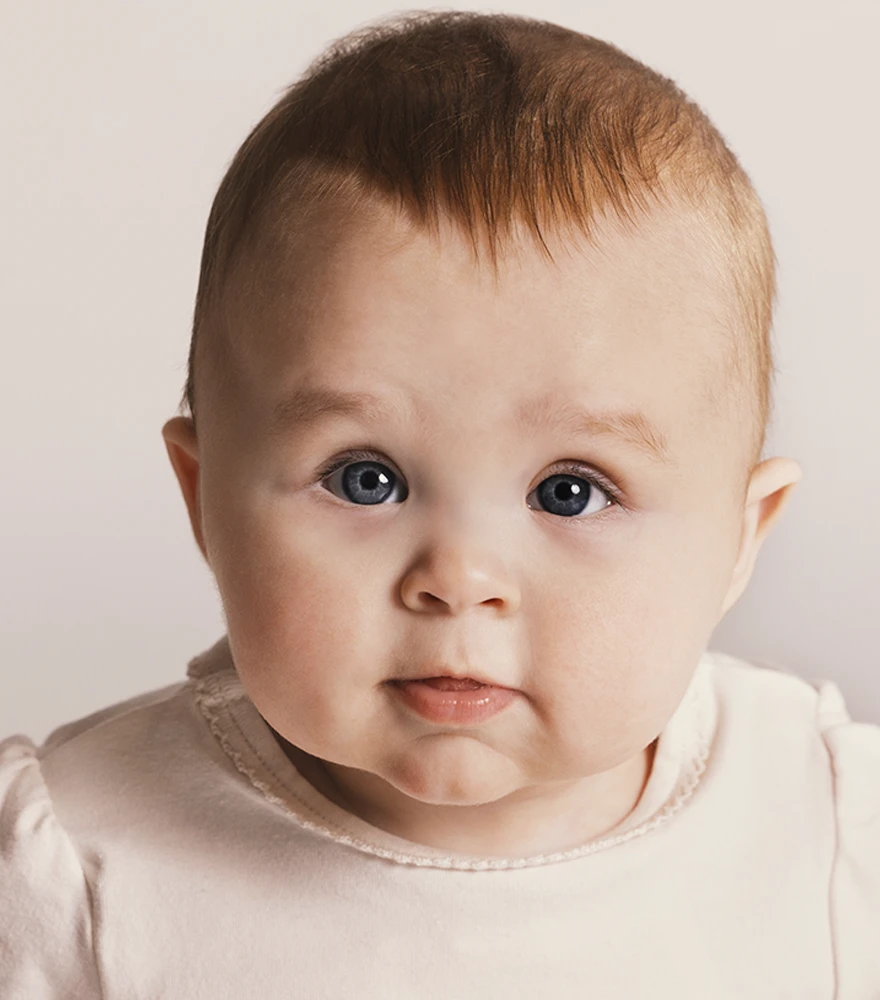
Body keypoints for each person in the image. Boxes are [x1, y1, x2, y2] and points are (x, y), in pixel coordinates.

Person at [2, 10, 876, 997]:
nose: (458, 579)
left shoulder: (827, 831)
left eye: (569, 492)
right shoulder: (77, 869)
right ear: (204, 499)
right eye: (365, 478)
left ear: (738, 540)